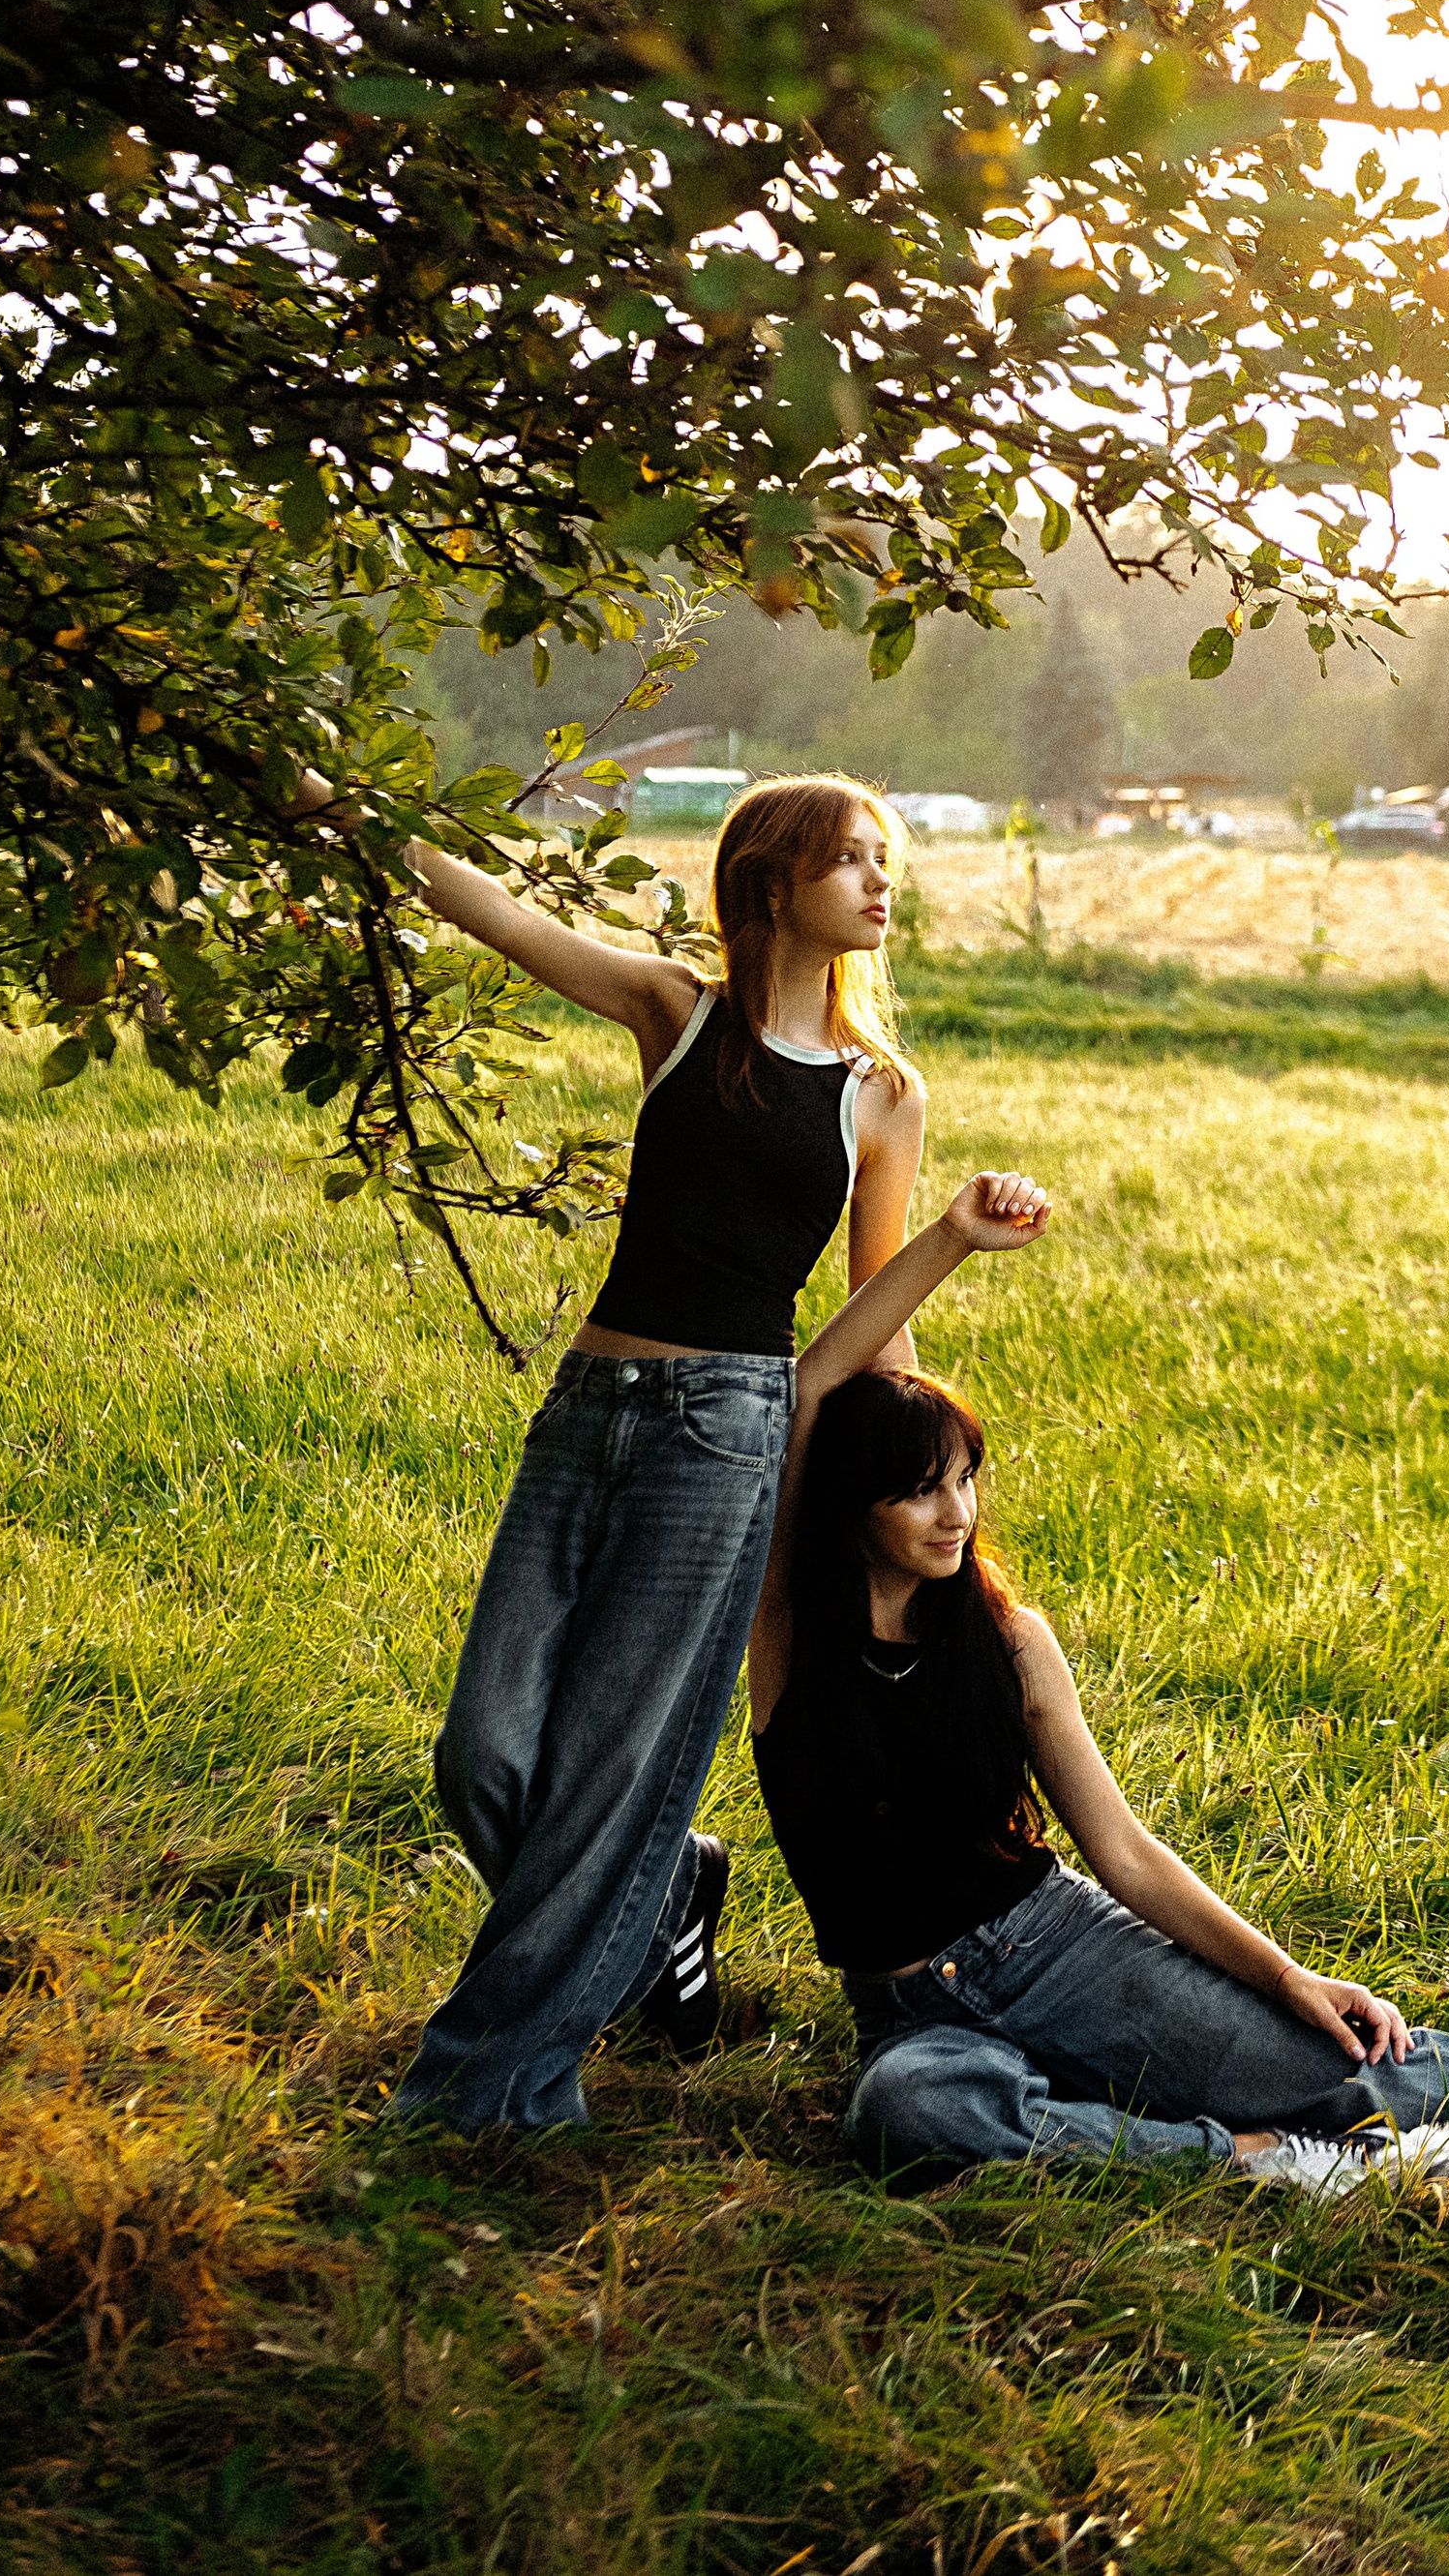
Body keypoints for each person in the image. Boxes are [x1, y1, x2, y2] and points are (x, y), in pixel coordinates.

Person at [750, 1371, 1449, 2190]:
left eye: (967, 1482)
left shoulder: (1002, 1637)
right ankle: (1247, 2158)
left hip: (1056, 1953)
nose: (958, 1515)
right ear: (853, 1502)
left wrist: (1288, 1977)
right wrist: (948, 1233)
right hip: (905, 2009)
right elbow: (803, 1402)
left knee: (1357, 2079)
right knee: (906, 2114)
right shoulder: (785, 1637)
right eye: (921, 1491)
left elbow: (1125, 1853)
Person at [347, 770, 979, 2133]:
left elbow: (871, 1317)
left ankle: (487, 2096)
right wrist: (338, 804)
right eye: (853, 859)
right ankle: (660, 1896)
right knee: (486, 1753)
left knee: (609, 1776)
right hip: (588, 1408)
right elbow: (500, 914)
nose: (883, 883)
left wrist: (914, 1473)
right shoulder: (679, 1014)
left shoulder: (880, 1092)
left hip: (726, 1437)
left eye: (888, 857)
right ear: (771, 878)